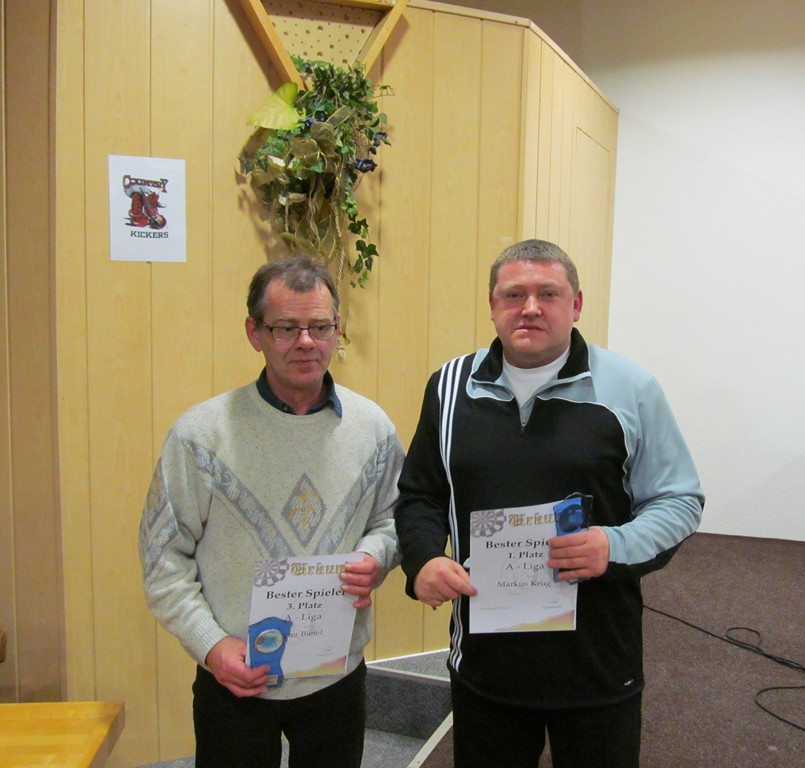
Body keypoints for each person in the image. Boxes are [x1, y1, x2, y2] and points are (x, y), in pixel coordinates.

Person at [395, 239, 704, 767]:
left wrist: (615, 544)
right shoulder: (448, 387)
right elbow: (420, 493)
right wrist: (423, 559)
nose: (530, 308)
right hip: (486, 664)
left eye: (549, 294)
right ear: (492, 304)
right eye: (514, 294)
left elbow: (678, 499)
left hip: (597, 663)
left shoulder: (631, 388)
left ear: (576, 304)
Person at [138, 255, 403, 768]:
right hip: (236, 679)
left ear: (337, 330)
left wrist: (375, 556)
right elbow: (161, 559)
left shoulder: (373, 429)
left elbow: (394, 518)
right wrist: (211, 645)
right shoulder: (200, 436)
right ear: (254, 333)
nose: (306, 342)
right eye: (286, 328)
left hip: (336, 676)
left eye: (320, 326)